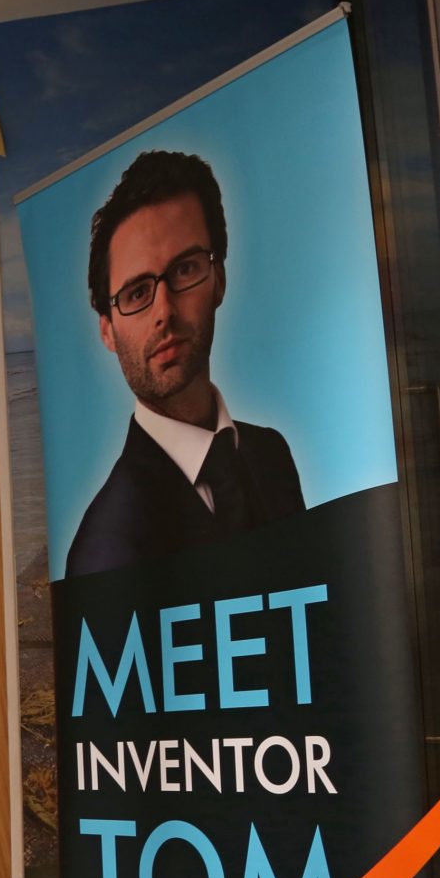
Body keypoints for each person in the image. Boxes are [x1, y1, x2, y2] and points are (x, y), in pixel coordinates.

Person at [66, 149, 305, 578]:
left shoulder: (271, 454)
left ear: (219, 280)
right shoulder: (106, 547)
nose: (164, 311)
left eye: (185, 270)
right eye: (137, 293)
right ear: (107, 330)